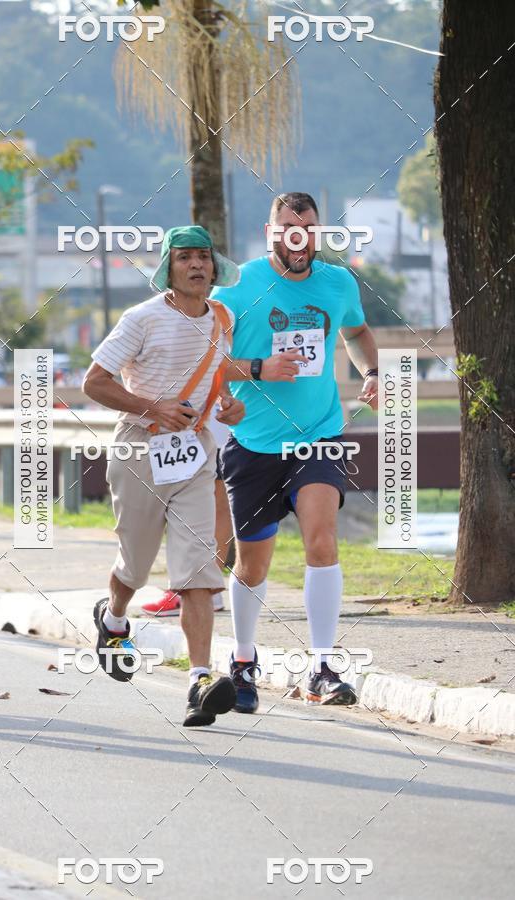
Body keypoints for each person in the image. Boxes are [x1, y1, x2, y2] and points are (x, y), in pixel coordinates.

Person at [211, 192, 379, 713]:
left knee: (322, 542)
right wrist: (258, 369)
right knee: (252, 566)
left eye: (308, 229)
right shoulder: (237, 287)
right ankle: (243, 660)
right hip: (255, 443)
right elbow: (208, 360)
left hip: (317, 436)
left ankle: (322, 668)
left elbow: (357, 331)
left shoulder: (338, 282)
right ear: (271, 234)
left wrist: (373, 371)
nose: (299, 238)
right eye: (288, 228)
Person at [82, 225, 245, 727]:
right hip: (140, 447)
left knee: (198, 568)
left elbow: (215, 375)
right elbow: (94, 383)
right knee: (136, 562)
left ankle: (200, 681)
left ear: (215, 267)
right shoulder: (142, 319)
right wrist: (154, 406)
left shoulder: (223, 318)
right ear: (168, 269)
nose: (196, 265)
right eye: (185, 257)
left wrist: (228, 404)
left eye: (204, 257)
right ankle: (113, 619)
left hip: (194, 452)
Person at [140, 406, 233, 616]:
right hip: (182, 426)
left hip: (210, 425)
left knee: (213, 501)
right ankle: (200, 587)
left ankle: (202, 588)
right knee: (180, 501)